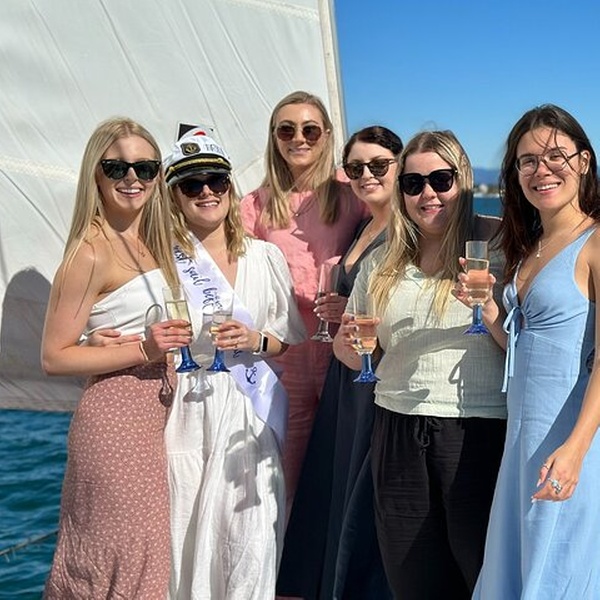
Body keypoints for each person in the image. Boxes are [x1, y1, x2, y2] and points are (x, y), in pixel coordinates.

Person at [333, 130, 507, 599]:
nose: (428, 193)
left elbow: (527, 348)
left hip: (476, 430)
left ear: (463, 180)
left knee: (482, 577)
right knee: (412, 580)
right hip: (396, 428)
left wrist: (490, 310)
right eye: (413, 183)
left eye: (441, 180)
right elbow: (355, 351)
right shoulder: (383, 260)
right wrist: (350, 347)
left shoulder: (499, 245)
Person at [42, 117, 192, 598]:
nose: (132, 178)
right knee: (121, 564)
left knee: (143, 562)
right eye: (117, 167)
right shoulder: (90, 253)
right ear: (96, 173)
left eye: (146, 168)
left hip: (154, 421)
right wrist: (142, 349)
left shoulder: (153, 241)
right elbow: (53, 357)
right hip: (115, 426)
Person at [162, 128, 306, 599]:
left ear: (230, 187)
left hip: (249, 412)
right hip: (186, 413)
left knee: (251, 539)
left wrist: (255, 339)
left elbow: (285, 338)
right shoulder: (161, 262)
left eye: (216, 181)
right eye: (191, 184)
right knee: (186, 539)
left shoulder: (265, 257)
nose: (206, 192)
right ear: (174, 196)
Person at [472, 105, 600, 599]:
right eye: (528, 161)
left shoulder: (594, 242)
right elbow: (527, 348)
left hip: (572, 440)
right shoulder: (532, 245)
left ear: (583, 162)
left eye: (554, 156)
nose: (541, 170)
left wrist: (576, 450)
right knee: (519, 569)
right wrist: (489, 310)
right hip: (523, 440)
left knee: (560, 571)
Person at [277, 125, 402, 600]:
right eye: (355, 168)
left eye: (379, 165)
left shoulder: (407, 229)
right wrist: (340, 308)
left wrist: (355, 311)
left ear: (400, 165)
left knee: (365, 494)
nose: (367, 175)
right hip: (344, 375)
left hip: (375, 377)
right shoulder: (361, 226)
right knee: (337, 486)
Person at [240, 90, 367, 517]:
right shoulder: (254, 205)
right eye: (287, 130)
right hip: (284, 353)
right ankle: (284, 562)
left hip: (340, 349)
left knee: (344, 464)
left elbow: (389, 239)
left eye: (310, 130)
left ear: (327, 135)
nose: (299, 138)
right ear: (274, 137)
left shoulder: (352, 193)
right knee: (284, 472)